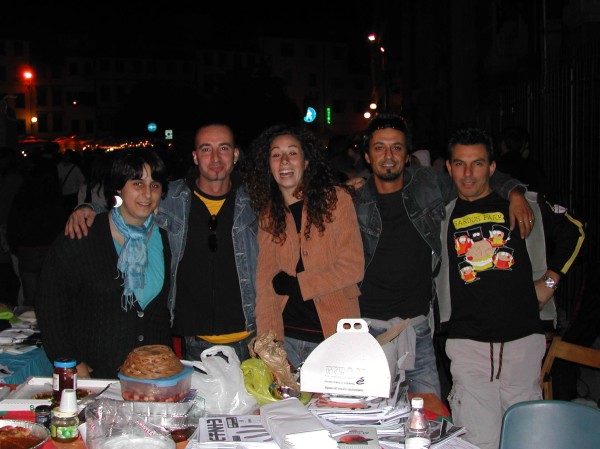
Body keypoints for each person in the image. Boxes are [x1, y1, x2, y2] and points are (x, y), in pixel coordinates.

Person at [354, 113, 534, 398]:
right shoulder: (353, 201)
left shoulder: (429, 184)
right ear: (367, 156)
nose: (388, 156)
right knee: (370, 418)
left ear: (408, 155)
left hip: (417, 327)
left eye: (397, 147)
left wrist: (513, 191)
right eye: (379, 148)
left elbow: (474, 175)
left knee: (428, 415)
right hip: (367, 329)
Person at [435, 127, 585, 449]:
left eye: (477, 164)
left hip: (523, 342)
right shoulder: (440, 215)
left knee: (524, 439)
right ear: (449, 167)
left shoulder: (525, 204)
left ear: (492, 167)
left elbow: (576, 232)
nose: (468, 173)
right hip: (468, 344)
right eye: (460, 164)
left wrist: (550, 281)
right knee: (478, 441)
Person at [64, 123, 258, 362]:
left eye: (224, 148)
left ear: (236, 154)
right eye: (206, 149)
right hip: (195, 342)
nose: (216, 158)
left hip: (254, 339)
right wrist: (89, 208)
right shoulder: (171, 199)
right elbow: (127, 206)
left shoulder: (256, 202)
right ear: (195, 157)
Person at [36, 148, 174, 379]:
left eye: (155, 185)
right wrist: (70, 361)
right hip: (97, 376)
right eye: (137, 183)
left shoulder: (168, 239)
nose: (147, 194)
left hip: (155, 376)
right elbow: (50, 305)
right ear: (119, 187)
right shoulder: (83, 236)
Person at [242, 124, 364, 368]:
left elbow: (353, 267)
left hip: (335, 337)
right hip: (288, 340)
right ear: (268, 166)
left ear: (306, 162)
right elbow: (266, 286)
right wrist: (269, 344)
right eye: (276, 155)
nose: (284, 161)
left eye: (292, 153)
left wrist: (298, 284)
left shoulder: (336, 200)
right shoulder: (268, 217)